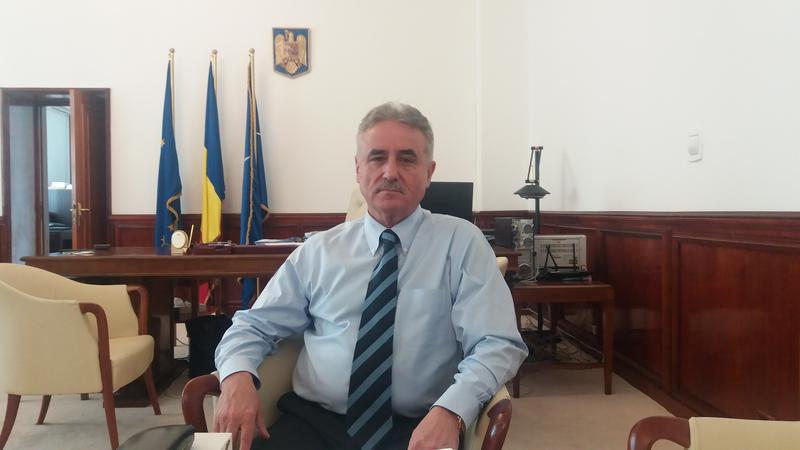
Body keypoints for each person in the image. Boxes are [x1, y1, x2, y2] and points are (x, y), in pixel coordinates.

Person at [214, 102, 527, 450]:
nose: (390, 172)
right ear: (358, 168)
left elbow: (497, 343)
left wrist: (452, 409)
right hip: (314, 423)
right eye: (377, 158)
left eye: (407, 159)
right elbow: (253, 325)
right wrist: (237, 376)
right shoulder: (319, 251)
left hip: (420, 426)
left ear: (429, 172)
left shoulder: (462, 243)